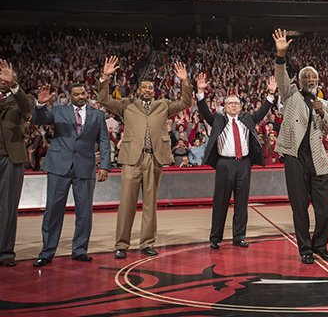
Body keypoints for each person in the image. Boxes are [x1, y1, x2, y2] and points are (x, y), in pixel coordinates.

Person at [98, 56, 193, 259]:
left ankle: (147, 243)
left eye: (151, 88)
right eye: (144, 88)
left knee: (151, 204)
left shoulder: (164, 105)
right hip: (132, 159)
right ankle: (121, 244)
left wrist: (184, 82)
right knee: (126, 204)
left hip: (154, 159)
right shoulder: (127, 105)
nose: (147, 90)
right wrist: (105, 78)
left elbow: (186, 102)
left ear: (154, 91)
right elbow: (104, 100)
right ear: (138, 90)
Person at [272, 29, 328, 264]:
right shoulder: (291, 95)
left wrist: (324, 112)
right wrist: (281, 56)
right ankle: (305, 249)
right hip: (294, 158)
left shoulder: (325, 103)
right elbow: (281, 77)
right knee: (299, 208)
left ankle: (320, 244)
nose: (311, 81)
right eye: (306, 78)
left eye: (314, 78)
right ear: (299, 81)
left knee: (325, 208)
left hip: (318, 160)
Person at [32, 83, 111, 267]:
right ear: (71, 96)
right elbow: (40, 119)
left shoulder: (98, 115)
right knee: (52, 210)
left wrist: (105, 166)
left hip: (85, 167)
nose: (80, 96)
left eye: (83, 93)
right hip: (59, 166)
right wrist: (40, 105)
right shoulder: (59, 110)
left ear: (86, 94)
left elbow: (104, 141)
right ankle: (47, 252)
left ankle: (80, 250)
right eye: (76, 94)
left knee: (84, 212)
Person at [197, 73, 276, 249]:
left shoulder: (247, 119)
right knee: (221, 202)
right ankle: (215, 237)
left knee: (242, 202)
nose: (233, 106)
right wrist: (200, 93)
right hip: (224, 164)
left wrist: (270, 94)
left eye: (236, 103)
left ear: (240, 107)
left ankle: (239, 236)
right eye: (230, 103)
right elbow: (203, 111)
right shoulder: (218, 119)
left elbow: (262, 112)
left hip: (244, 164)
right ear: (224, 107)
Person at [0, 59, 34, 267]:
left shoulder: (21, 99)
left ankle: (5, 252)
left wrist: (13, 86)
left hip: (11, 158)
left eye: (7, 78)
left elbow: (28, 107)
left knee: (8, 207)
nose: (2, 80)